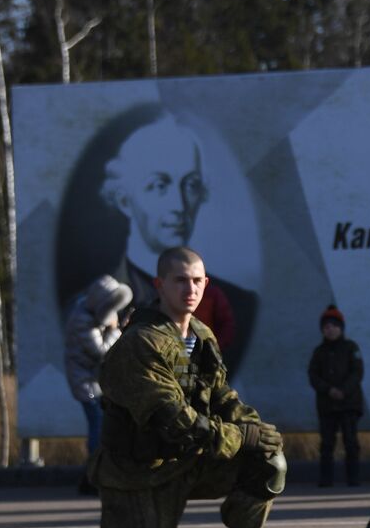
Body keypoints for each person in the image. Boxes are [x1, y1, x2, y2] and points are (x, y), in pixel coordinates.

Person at [26, 247, 289, 528]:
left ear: (206, 284)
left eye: (197, 281)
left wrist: (256, 431)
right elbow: (176, 422)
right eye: (180, 281)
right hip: (138, 472)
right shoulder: (140, 344)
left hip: (188, 460)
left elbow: (222, 397)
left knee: (269, 462)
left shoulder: (201, 335)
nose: (190, 290)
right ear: (160, 285)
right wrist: (241, 437)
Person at [59, 106, 257, 371]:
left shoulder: (241, 305)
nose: (178, 204)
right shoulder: (88, 305)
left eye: (190, 184)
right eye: (159, 185)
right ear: (124, 198)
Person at [63, 275, 133, 494]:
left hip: (95, 382)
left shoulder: (89, 311)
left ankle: (97, 474)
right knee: (98, 427)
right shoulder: (82, 319)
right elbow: (102, 352)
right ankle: (94, 475)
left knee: (103, 427)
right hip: (87, 384)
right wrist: (115, 331)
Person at [307, 305, 365, 487]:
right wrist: (328, 390)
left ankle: (353, 478)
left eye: (333, 326)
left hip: (349, 404)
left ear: (341, 328)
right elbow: (313, 375)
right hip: (327, 404)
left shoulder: (350, 348)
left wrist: (343, 390)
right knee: (326, 444)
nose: (330, 330)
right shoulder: (319, 351)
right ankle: (326, 479)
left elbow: (357, 373)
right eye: (326, 327)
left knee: (351, 442)